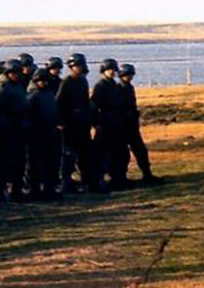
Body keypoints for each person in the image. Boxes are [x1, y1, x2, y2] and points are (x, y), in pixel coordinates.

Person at [56, 53, 107, 193]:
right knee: (69, 155)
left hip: (83, 124)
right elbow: (59, 103)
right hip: (70, 125)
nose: (79, 69)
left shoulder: (83, 81)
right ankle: (66, 182)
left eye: (81, 66)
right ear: (71, 67)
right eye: (77, 66)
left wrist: (93, 120)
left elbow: (86, 103)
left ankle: (89, 181)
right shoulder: (66, 83)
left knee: (86, 154)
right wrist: (61, 122)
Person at [118, 63, 163, 184]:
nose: (129, 77)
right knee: (123, 154)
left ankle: (147, 174)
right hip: (123, 126)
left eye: (131, 74)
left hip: (132, 125)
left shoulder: (129, 87)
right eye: (127, 74)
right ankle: (122, 177)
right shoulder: (118, 88)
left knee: (141, 151)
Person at [0, 59, 28, 201]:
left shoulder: (17, 86)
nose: (16, 75)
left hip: (19, 129)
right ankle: (1, 191)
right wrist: (5, 125)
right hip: (7, 131)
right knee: (4, 161)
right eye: (13, 73)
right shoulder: (3, 88)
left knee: (19, 160)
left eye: (18, 72)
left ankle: (16, 190)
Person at [91, 58, 129, 189]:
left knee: (118, 151)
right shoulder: (100, 86)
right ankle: (100, 179)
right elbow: (94, 106)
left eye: (113, 69)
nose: (112, 72)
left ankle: (118, 178)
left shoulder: (114, 85)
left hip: (116, 122)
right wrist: (96, 122)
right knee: (102, 153)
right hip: (105, 122)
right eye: (109, 69)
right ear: (103, 71)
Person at [25, 67, 61, 200]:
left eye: (45, 81)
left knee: (51, 161)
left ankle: (49, 187)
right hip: (37, 133)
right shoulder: (33, 96)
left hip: (50, 131)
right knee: (35, 162)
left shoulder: (49, 94)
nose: (43, 83)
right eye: (40, 81)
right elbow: (28, 116)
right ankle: (34, 189)